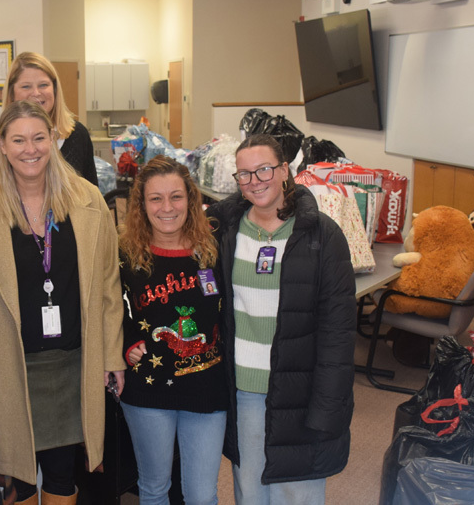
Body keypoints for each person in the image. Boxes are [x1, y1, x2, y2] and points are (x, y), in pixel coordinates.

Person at [0, 100, 124, 505]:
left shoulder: (87, 200)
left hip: (71, 363)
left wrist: (112, 355)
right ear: (2, 146)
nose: (30, 149)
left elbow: (108, 286)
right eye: (18, 140)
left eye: (38, 137)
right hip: (10, 364)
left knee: (64, 474)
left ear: (53, 140)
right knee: (19, 477)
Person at [206, 134, 356, 505]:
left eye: (264, 170)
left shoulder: (322, 235)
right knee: (250, 491)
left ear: (285, 170)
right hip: (244, 392)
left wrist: (326, 407)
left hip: (301, 394)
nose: (255, 181)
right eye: (244, 174)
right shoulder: (223, 231)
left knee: (297, 494)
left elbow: (339, 332)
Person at [118, 155, 229, 505]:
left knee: (201, 494)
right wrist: (128, 341)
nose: (167, 207)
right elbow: (108, 308)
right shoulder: (124, 254)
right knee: (153, 489)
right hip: (148, 391)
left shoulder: (214, 247)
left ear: (191, 199)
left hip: (206, 386)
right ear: (142, 205)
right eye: (156, 198)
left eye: (176, 196)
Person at [0, 52, 97, 190]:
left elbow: (91, 195)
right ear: (12, 93)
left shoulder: (78, 135)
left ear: (55, 90)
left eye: (43, 85)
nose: (36, 93)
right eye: (26, 86)